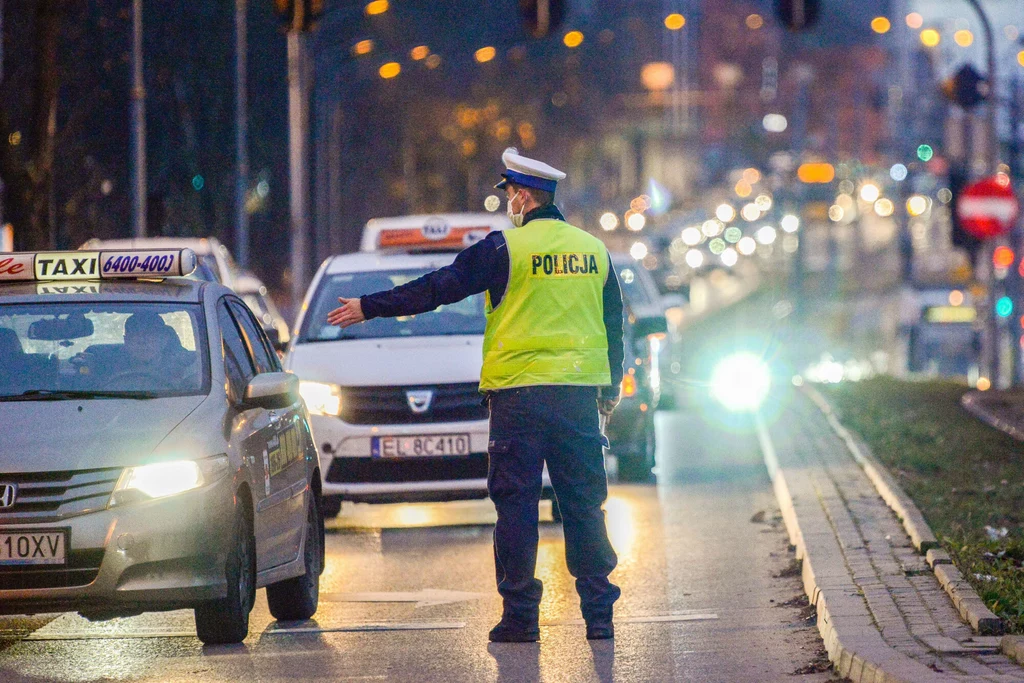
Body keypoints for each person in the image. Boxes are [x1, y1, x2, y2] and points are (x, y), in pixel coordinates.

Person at [328, 148, 625, 643]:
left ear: (524, 196)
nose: (506, 201)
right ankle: (599, 618)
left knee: (516, 508)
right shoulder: (594, 250)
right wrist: (609, 392)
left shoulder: (504, 249)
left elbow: (438, 287)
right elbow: (613, 328)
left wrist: (369, 307)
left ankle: (520, 620)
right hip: (576, 399)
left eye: (508, 193)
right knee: (583, 505)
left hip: (519, 401)